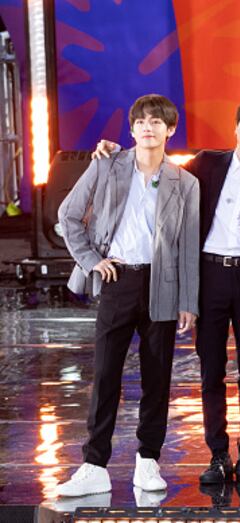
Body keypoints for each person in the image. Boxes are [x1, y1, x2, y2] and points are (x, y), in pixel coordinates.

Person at [92, 98, 240, 484]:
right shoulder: (207, 164)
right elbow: (159, 168)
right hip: (210, 276)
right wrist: (114, 153)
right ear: (235, 126)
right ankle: (218, 455)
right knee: (211, 371)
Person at [56, 94, 199, 496]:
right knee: (105, 375)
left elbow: (187, 245)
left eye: (156, 122)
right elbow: (68, 215)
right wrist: (91, 261)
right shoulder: (107, 164)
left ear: (170, 129)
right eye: (140, 122)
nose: (148, 128)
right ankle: (93, 464)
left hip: (162, 285)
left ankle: (148, 461)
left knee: (157, 377)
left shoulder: (185, 182)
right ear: (132, 128)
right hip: (117, 279)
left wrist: (188, 300)